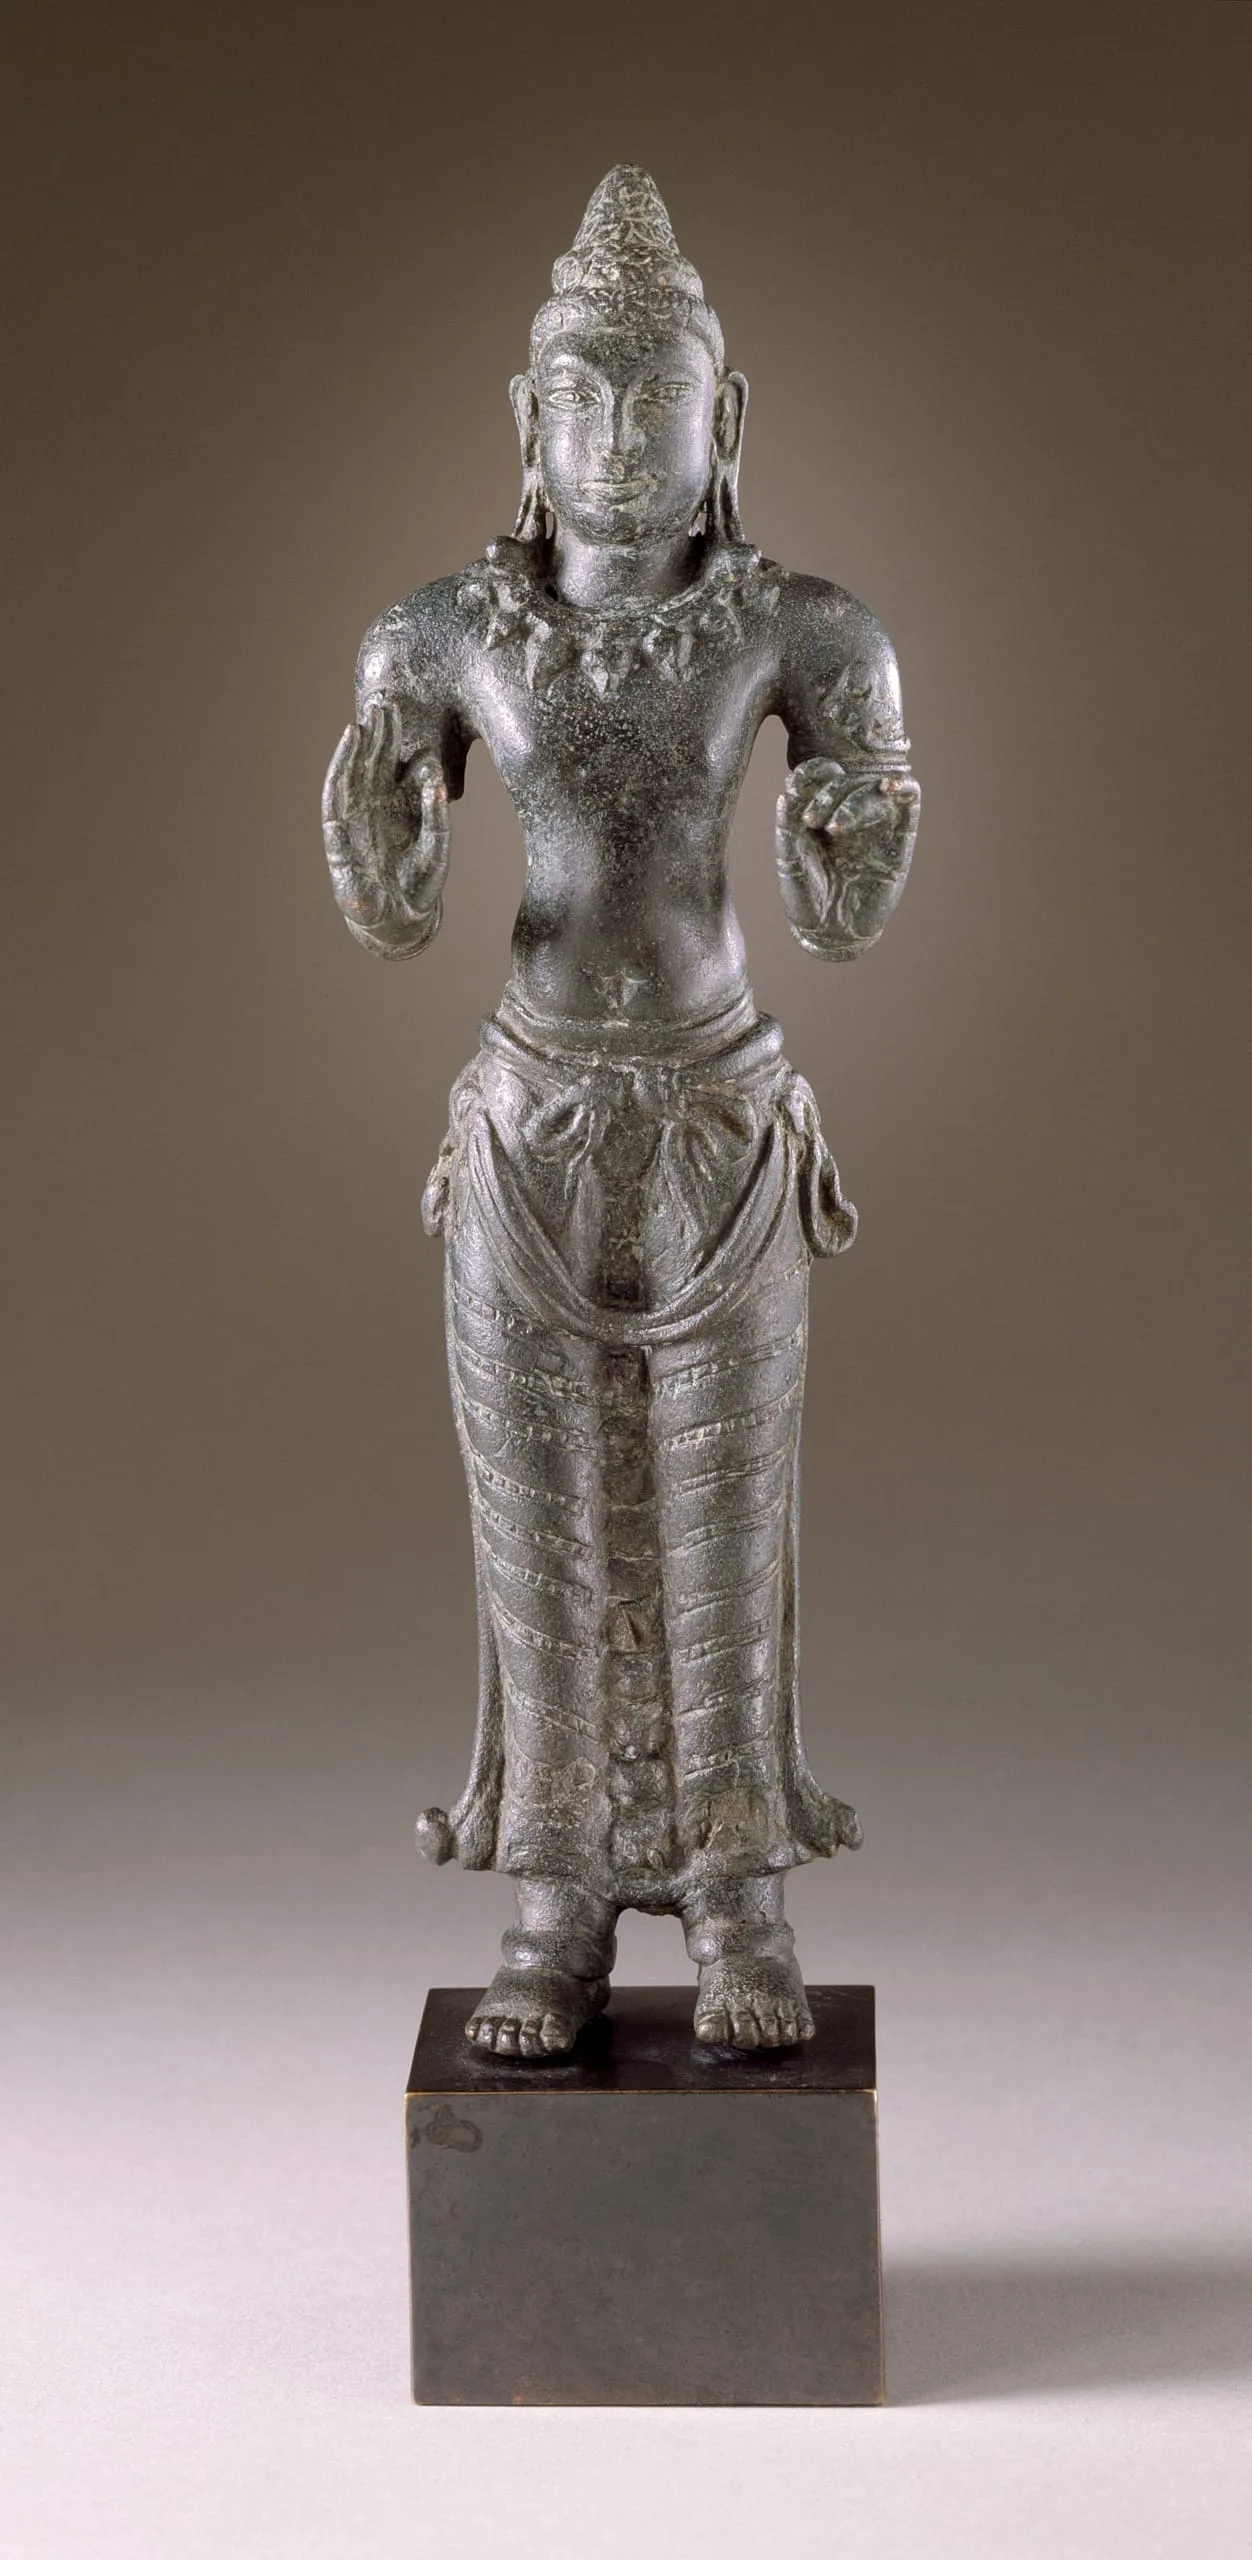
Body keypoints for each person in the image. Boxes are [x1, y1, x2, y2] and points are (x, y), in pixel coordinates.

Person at [322, 167, 920, 2056]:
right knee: (545, 1525)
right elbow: (392, 914)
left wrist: (853, 834)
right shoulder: (441, 636)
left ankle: (738, 1898)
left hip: (724, 1130)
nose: (612, 433)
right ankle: (557, 1904)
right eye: (577, 396)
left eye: (653, 395)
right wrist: (375, 840)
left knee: (723, 1521)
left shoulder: (804, 632)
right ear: (524, 417)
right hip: (526, 1125)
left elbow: (845, 918)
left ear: (723, 420)